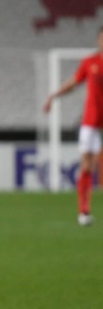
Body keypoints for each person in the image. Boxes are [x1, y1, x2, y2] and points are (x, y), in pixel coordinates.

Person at [44, 26, 103, 227]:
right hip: (91, 123)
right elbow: (74, 83)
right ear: (98, 40)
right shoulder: (90, 62)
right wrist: (54, 95)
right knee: (87, 166)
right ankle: (83, 211)